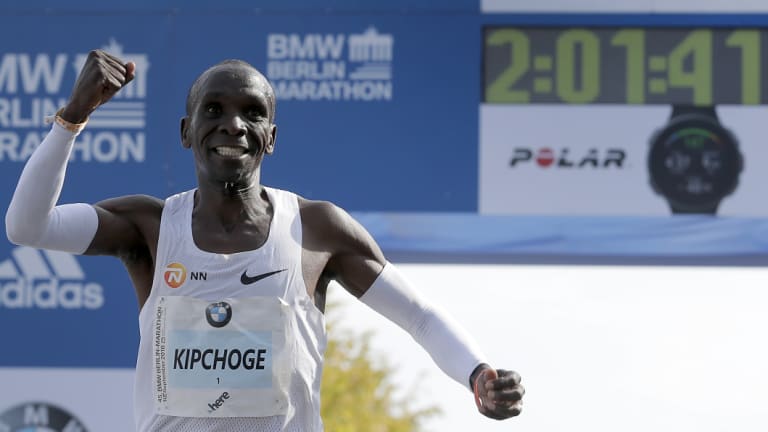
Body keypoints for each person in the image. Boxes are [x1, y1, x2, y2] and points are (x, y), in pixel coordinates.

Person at [5, 49, 524, 431]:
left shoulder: (316, 229)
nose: (233, 124)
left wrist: (477, 374)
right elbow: (27, 226)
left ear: (270, 137)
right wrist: (72, 118)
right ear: (187, 131)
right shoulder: (151, 226)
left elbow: (421, 317)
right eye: (214, 110)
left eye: (252, 113)